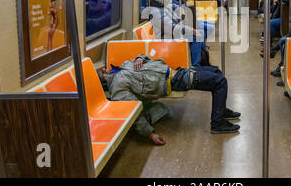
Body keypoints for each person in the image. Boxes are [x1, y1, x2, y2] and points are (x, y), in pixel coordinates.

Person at [99, 55, 241, 145]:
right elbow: (132, 112)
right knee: (220, 82)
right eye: (101, 74)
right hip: (175, 81)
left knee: (216, 71)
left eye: (103, 69)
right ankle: (217, 123)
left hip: (178, 71)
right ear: (103, 82)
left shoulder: (124, 65)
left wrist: (140, 58)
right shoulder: (118, 87)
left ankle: (220, 111)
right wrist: (150, 134)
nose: (104, 69)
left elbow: (148, 58)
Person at [146, 0, 211, 67]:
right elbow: (172, 29)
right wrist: (191, 30)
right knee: (196, 36)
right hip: (167, 39)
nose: (168, 0)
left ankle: (203, 61)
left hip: (173, 34)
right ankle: (196, 66)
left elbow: (174, 6)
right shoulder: (156, 13)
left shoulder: (164, 6)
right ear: (159, 0)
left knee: (201, 32)